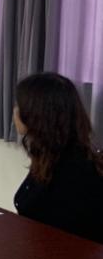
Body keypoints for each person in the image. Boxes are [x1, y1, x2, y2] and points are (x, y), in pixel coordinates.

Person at [13, 72, 103, 244]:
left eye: (19, 106)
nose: (15, 111)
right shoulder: (53, 156)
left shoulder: (72, 169)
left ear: (35, 115)